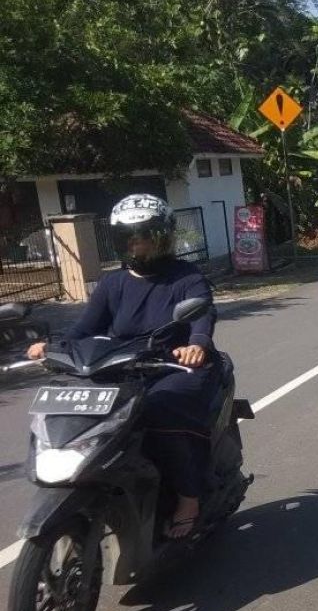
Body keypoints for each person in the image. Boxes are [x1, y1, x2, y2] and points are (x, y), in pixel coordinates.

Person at [27, 194, 220, 540]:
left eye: (144, 235)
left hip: (175, 367)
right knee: (81, 413)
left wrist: (197, 345)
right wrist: (53, 347)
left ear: (162, 237)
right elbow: (84, 328)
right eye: (129, 237)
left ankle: (188, 499)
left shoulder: (186, 276)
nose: (137, 243)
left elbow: (202, 315)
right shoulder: (112, 282)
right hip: (123, 366)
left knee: (159, 411)